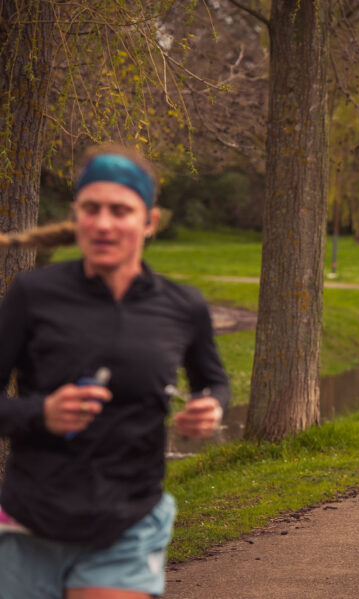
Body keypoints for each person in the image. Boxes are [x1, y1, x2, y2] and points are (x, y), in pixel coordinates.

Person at [0, 145, 230, 599]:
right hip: (31, 521)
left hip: (128, 520)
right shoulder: (32, 294)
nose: (104, 223)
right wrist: (40, 414)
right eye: (92, 209)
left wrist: (211, 408)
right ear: (76, 216)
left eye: (121, 210)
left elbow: (214, 382)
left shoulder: (183, 306)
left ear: (149, 222)